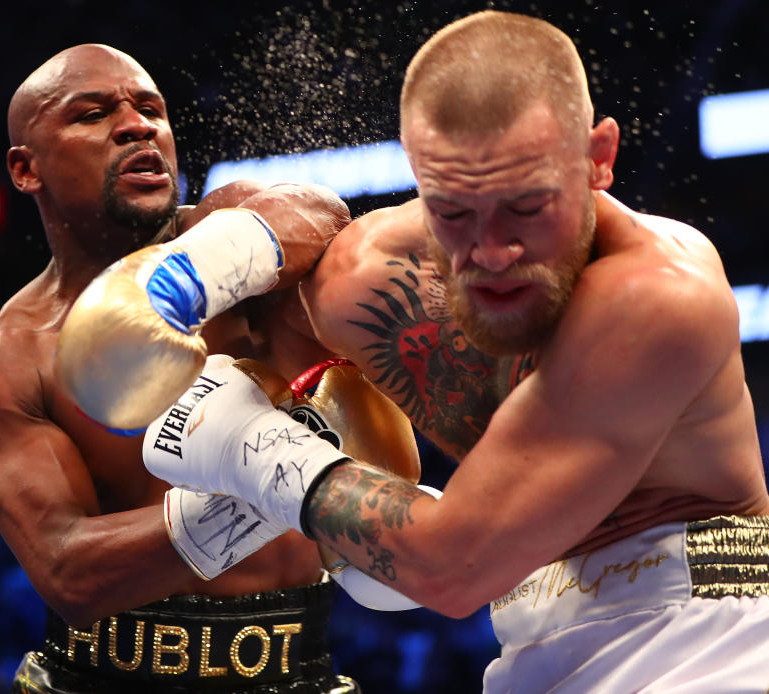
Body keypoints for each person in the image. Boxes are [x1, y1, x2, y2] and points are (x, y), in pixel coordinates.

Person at [137, 11, 769, 693]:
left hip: (704, 643)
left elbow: (452, 568)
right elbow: (293, 247)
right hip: (529, 645)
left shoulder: (657, 298)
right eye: (455, 212)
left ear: (599, 158)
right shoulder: (365, 279)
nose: (492, 252)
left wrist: (249, 448)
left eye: (527, 206)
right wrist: (191, 275)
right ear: (417, 176)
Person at [0, 43, 365, 693]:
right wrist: (279, 479)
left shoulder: (238, 242)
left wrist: (184, 285)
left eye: (150, 109)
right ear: (26, 170)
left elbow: (319, 210)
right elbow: (69, 574)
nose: (137, 125)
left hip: (295, 670)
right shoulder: (3, 358)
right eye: (92, 114)